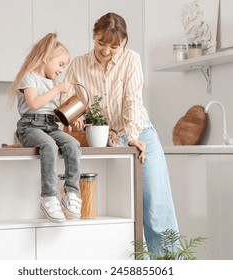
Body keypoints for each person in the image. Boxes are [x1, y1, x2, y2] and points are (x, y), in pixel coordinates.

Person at [65, 13, 179, 255]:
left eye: (114, 46)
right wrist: (76, 121)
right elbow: (71, 102)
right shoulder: (77, 65)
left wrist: (132, 135)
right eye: (101, 43)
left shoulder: (131, 60)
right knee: (119, 211)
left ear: (124, 42)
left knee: (155, 208)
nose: (107, 51)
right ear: (94, 36)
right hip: (101, 140)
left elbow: (132, 100)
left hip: (139, 136)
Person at [9, 33, 82, 223]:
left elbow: (53, 111)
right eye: (60, 64)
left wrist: (72, 120)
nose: (61, 70)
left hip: (50, 124)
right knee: (49, 145)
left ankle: (71, 193)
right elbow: (33, 104)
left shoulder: (52, 83)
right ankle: (49, 197)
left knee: (72, 144)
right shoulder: (29, 77)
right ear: (46, 58)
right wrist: (56, 90)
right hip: (30, 125)